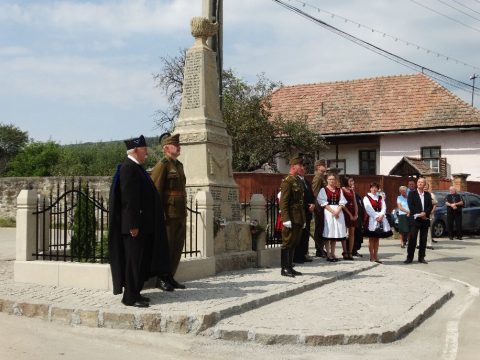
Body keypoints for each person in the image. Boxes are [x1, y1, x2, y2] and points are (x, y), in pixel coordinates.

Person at [108, 135, 161, 307]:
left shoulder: (137, 167)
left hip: (142, 225)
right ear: (136, 150)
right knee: (133, 261)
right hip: (134, 227)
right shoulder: (128, 168)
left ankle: (136, 292)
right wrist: (133, 225)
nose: (146, 154)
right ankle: (130, 297)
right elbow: (129, 200)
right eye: (144, 150)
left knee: (139, 261)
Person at [150, 133, 186, 290]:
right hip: (168, 214)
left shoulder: (179, 165)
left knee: (177, 246)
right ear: (166, 148)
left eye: (178, 144)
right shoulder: (162, 165)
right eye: (175, 145)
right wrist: (159, 213)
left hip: (179, 212)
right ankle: (161, 278)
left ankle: (171, 276)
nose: (178, 147)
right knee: (167, 247)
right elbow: (155, 191)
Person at [279, 154, 306, 277]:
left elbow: (300, 202)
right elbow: (283, 202)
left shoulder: (298, 181)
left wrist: (303, 218)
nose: (302, 167)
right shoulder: (287, 182)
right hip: (291, 217)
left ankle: (290, 266)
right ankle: (284, 268)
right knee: (287, 242)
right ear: (294, 166)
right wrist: (286, 219)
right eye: (300, 165)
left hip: (298, 217)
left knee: (294, 242)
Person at [317, 172, 347, 262]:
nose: (332, 181)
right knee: (328, 233)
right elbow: (322, 202)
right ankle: (328, 254)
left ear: (335, 180)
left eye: (333, 179)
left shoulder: (339, 190)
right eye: (330, 179)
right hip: (328, 212)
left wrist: (337, 211)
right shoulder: (324, 190)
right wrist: (332, 211)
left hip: (338, 212)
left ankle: (333, 253)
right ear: (327, 180)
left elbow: (342, 202)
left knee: (334, 234)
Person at [404, 177, 433, 264]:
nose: (420, 183)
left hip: (425, 220)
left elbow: (430, 206)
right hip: (415, 220)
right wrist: (421, 214)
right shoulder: (412, 194)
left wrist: (425, 213)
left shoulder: (427, 194)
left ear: (425, 184)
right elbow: (411, 206)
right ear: (417, 184)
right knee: (412, 239)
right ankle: (409, 258)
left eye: (422, 182)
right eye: (419, 182)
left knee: (423, 240)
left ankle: (421, 257)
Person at [363, 182, 392, 263]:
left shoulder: (380, 197)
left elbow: (384, 206)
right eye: (372, 187)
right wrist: (376, 217)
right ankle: (371, 256)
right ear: (370, 188)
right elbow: (368, 209)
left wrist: (382, 215)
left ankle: (376, 256)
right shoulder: (366, 198)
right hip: (371, 219)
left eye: (376, 187)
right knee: (371, 238)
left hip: (380, 217)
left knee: (377, 239)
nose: (374, 189)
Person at [293, 164, 315, 263]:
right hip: (300, 211)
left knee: (306, 234)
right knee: (299, 234)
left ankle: (304, 254)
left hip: (308, 212)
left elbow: (311, 195)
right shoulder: (295, 181)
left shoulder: (306, 181)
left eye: (304, 168)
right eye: (301, 168)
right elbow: (298, 198)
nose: (303, 169)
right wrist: (307, 206)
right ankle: (297, 256)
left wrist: (313, 204)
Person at [311, 160, 327, 257]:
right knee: (319, 227)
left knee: (322, 227)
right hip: (319, 206)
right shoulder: (318, 177)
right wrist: (317, 206)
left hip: (322, 206)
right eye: (323, 165)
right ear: (318, 167)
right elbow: (315, 193)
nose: (325, 166)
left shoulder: (321, 177)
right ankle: (319, 249)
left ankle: (321, 248)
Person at [340, 176, 357, 260]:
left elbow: (355, 202)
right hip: (345, 212)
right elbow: (342, 204)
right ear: (346, 181)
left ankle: (350, 252)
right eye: (351, 181)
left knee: (352, 233)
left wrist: (356, 213)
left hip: (353, 212)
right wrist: (350, 214)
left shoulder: (352, 190)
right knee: (344, 233)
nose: (352, 182)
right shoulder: (341, 190)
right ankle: (345, 251)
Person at [352, 183, 365, 257]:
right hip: (352, 218)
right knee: (351, 235)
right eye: (351, 187)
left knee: (358, 235)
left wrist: (362, 220)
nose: (353, 187)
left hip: (359, 219)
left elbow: (362, 207)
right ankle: (350, 251)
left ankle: (355, 250)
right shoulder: (347, 195)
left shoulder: (358, 196)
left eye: (354, 186)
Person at [425, 182, 438, 249]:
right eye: (424, 186)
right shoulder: (419, 194)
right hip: (421, 215)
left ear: (428, 187)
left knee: (428, 229)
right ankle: (419, 244)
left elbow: (435, 205)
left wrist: (431, 212)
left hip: (429, 215)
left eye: (426, 186)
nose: (425, 187)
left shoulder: (431, 195)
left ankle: (429, 244)